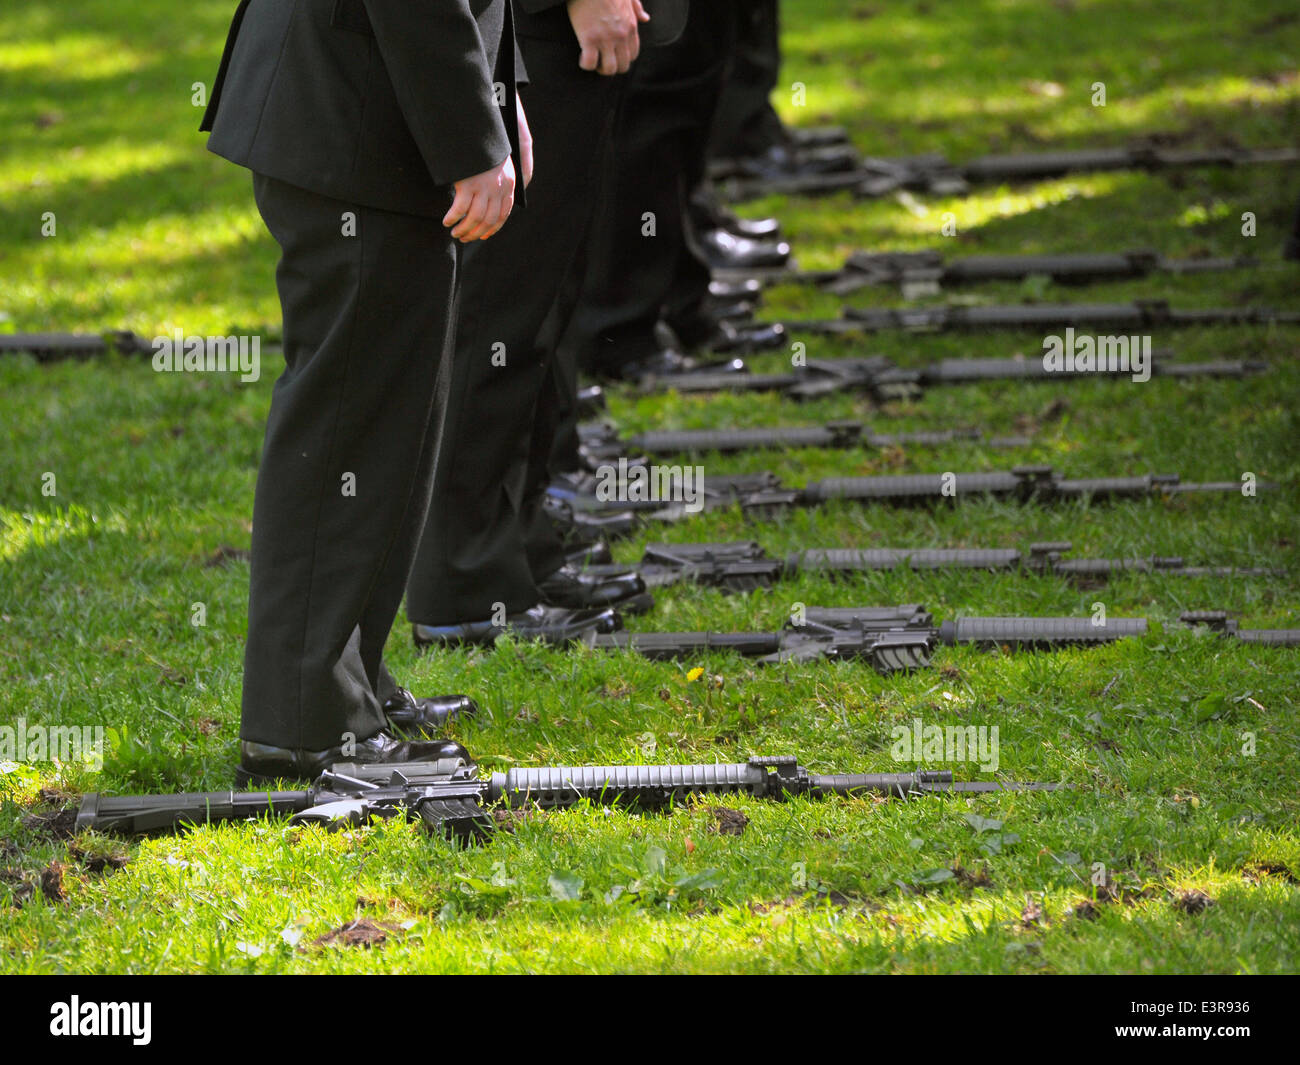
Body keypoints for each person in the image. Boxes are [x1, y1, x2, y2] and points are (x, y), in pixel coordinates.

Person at [198, 0, 526, 783]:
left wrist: (498, 104)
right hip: (354, 109)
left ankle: (350, 681)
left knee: (390, 417)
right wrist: (471, 139)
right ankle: (307, 722)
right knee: (348, 420)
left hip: (373, 105)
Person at [405, 0, 682, 649]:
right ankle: (466, 585)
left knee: (542, 306)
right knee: (504, 308)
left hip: (549, 27)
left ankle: (518, 548)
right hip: (539, 22)